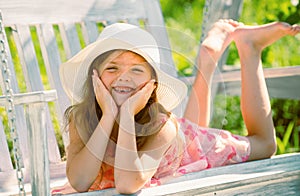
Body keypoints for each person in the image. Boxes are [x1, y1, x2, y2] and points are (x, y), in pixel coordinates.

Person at [52, 20, 300, 194]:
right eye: (112, 68)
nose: (123, 77)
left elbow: (127, 185)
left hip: (186, 143)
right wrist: (108, 116)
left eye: (136, 70)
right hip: (179, 147)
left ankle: (249, 48)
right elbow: (80, 181)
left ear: (152, 85)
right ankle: (207, 56)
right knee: (191, 132)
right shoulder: (82, 118)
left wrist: (125, 114)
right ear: (94, 76)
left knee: (265, 143)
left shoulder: (162, 126)